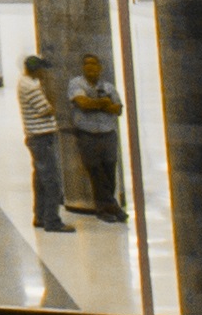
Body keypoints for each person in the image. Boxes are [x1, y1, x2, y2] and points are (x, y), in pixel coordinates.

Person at [14, 52, 79, 229]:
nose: (45, 73)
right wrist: (51, 88)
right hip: (41, 138)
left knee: (41, 179)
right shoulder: (31, 87)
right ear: (36, 70)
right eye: (43, 70)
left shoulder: (25, 82)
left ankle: (40, 215)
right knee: (51, 181)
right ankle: (52, 220)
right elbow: (48, 108)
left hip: (36, 137)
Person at [64, 54, 127, 223]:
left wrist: (100, 104)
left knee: (109, 170)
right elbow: (82, 103)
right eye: (87, 64)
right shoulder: (77, 84)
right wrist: (103, 104)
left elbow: (118, 108)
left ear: (100, 67)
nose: (90, 67)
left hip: (108, 134)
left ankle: (108, 206)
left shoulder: (108, 87)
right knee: (95, 171)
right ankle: (107, 207)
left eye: (93, 64)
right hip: (87, 135)